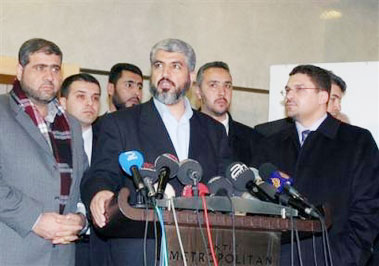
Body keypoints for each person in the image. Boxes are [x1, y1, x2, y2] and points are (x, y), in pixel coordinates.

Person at [81, 38, 230, 265]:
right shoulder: (121, 123)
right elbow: (100, 173)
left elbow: (224, 184)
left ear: (191, 76)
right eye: (158, 65)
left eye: (175, 66)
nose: (164, 73)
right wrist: (99, 192)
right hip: (141, 250)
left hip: (201, 250)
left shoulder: (214, 131)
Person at [252, 65, 379, 265]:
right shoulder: (270, 144)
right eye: (287, 90)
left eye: (299, 89)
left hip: (335, 259)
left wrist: (345, 257)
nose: (289, 96)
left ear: (323, 97)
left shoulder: (356, 142)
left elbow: (368, 209)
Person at [0, 38, 88, 265]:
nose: (49, 76)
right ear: (20, 71)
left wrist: (80, 219)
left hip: (62, 256)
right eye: (40, 68)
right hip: (11, 254)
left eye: (55, 69)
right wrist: (35, 220)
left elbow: (83, 183)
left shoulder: (72, 124)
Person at [59, 73, 102, 266]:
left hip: (100, 244)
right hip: (62, 241)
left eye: (95, 97)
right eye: (81, 96)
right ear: (62, 102)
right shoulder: (50, 141)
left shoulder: (110, 139)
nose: (90, 103)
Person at [195, 61, 256, 165]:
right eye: (213, 85)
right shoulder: (184, 131)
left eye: (227, 86)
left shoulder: (252, 138)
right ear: (198, 92)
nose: (222, 92)